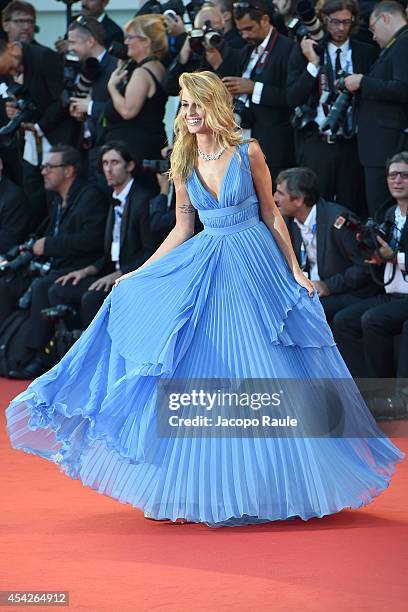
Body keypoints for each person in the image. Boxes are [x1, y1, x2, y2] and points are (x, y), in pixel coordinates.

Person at [6, 71, 404, 527]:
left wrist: (295, 270)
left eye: (196, 105)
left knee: (266, 366)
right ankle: (209, 487)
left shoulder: (247, 151)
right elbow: (182, 229)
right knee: (210, 367)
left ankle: (277, 483)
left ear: (215, 105)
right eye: (184, 106)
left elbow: (273, 215)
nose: (189, 114)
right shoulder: (184, 159)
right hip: (209, 267)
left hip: (256, 265)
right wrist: (137, 272)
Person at [0, 145, 108, 379]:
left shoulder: (89, 197)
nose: (43, 172)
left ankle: (35, 355)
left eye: (50, 167)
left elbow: (92, 240)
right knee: (11, 283)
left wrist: (48, 245)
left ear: (68, 170)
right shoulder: (57, 198)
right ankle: (10, 349)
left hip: (87, 267)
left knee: (43, 286)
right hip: (61, 265)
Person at [48, 141, 156, 328]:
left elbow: (150, 251)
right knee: (59, 289)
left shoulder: (141, 200)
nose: (108, 169)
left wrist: (119, 274)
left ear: (130, 166)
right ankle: (70, 350)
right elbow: (110, 253)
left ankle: (99, 354)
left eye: (115, 163)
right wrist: (87, 270)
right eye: (105, 163)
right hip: (112, 272)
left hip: (134, 277)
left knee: (92, 299)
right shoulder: (113, 199)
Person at [287, 0, 378, 217]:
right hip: (317, 142)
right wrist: (313, 64)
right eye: (335, 21)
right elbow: (292, 98)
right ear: (323, 19)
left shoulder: (366, 52)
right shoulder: (305, 49)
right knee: (315, 209)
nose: (340, 28)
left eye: (346, 22)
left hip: (352, 144)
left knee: (351, 209)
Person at [333, 152, 408, 415]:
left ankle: (397, 396)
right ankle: (366, 390)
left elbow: (394, 255)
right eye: (392, 175)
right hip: (390, 292)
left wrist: (394, 257)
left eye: (404, 175)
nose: (397, 181)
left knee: (373, 319)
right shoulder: (388, 213)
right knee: (344, 320)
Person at [274, 167, 380, 324]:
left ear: (298, 200)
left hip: (348, 293)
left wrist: (327, 286)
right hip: (312, 290)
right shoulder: (288, 221)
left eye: (280, 193)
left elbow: (364, 266)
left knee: (300, 313)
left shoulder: (339, 221)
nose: (274, 198)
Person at [344, 1, 408, 218]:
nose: (372, 36)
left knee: (383, 212)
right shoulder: (396, 45)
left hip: (387, 146)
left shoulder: (404, 43)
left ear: (385, 18)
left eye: (372, 28)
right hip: (379, 147)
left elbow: (403, 88)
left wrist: (363, 82)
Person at [223, 0, 295, 185]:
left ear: (264, 20)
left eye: (249, 28)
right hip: (243, 141)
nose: (245, 35)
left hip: (273, 146)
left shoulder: (287, 48)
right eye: (240, 31)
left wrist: (253, 88)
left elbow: (291, 97)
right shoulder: (247, 50)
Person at [104, 14, 168, 189]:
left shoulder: (142, 73)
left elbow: (127, 111)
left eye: (130, 37)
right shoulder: (158, 67)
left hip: (138, 152)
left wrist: (111, 87)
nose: (125, 43)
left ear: (146, 41)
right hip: (150, 144)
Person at [55, 0, 124, 55]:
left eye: (91, 0)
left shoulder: (114, 31)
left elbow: (109, 63)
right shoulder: (74, 21)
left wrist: (73, 47)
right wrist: (62, 46)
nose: (84, 3)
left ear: (104, 2)